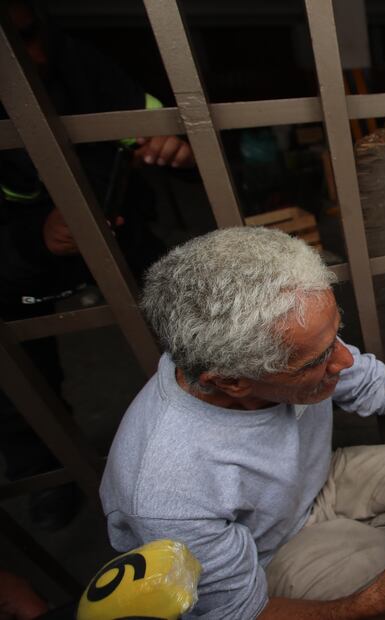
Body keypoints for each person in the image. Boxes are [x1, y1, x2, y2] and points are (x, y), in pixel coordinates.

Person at [100, 226, 385, 618]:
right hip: (267, 559)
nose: (343, 359)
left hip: (316, 480)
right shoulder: (166, 490)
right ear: (232, 382)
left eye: (336, 334)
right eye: (317, 360)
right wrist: (379, 600)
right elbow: (240, 614)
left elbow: (377, 386)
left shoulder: (275, 345)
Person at [0, 0, 194, 531]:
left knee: (188, 320)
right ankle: (51, 475)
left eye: (32, 32)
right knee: (22, 378)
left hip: (116, 229)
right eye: (14, 42)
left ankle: (216, 424)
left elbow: (153, 117)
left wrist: (169, 142)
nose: (33, 55)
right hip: (19, 259)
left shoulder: (73, 59)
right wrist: (33, 236)